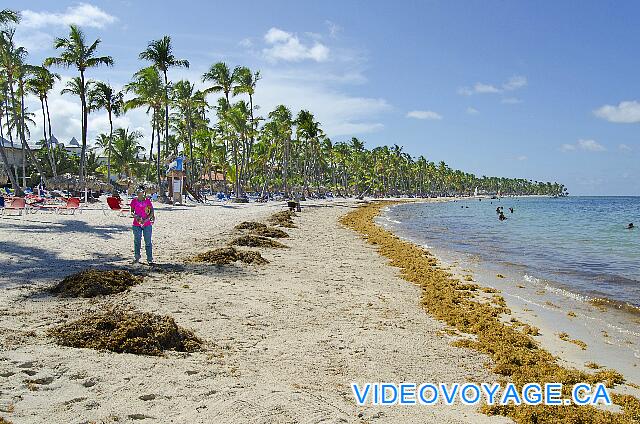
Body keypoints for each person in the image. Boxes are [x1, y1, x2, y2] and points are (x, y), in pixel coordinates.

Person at [130, 186, 155, 265]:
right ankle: (137, 257)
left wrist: (146, 219)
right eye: (139, 191)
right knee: (137, 241)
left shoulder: (147, 201)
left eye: (142, 191)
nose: (140, 193)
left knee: (148, 242)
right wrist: (136, 216)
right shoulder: (134, 201)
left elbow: (151, 211)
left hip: (147, 224)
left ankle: (149, 259)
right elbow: (132, 211)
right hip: (136, 224)